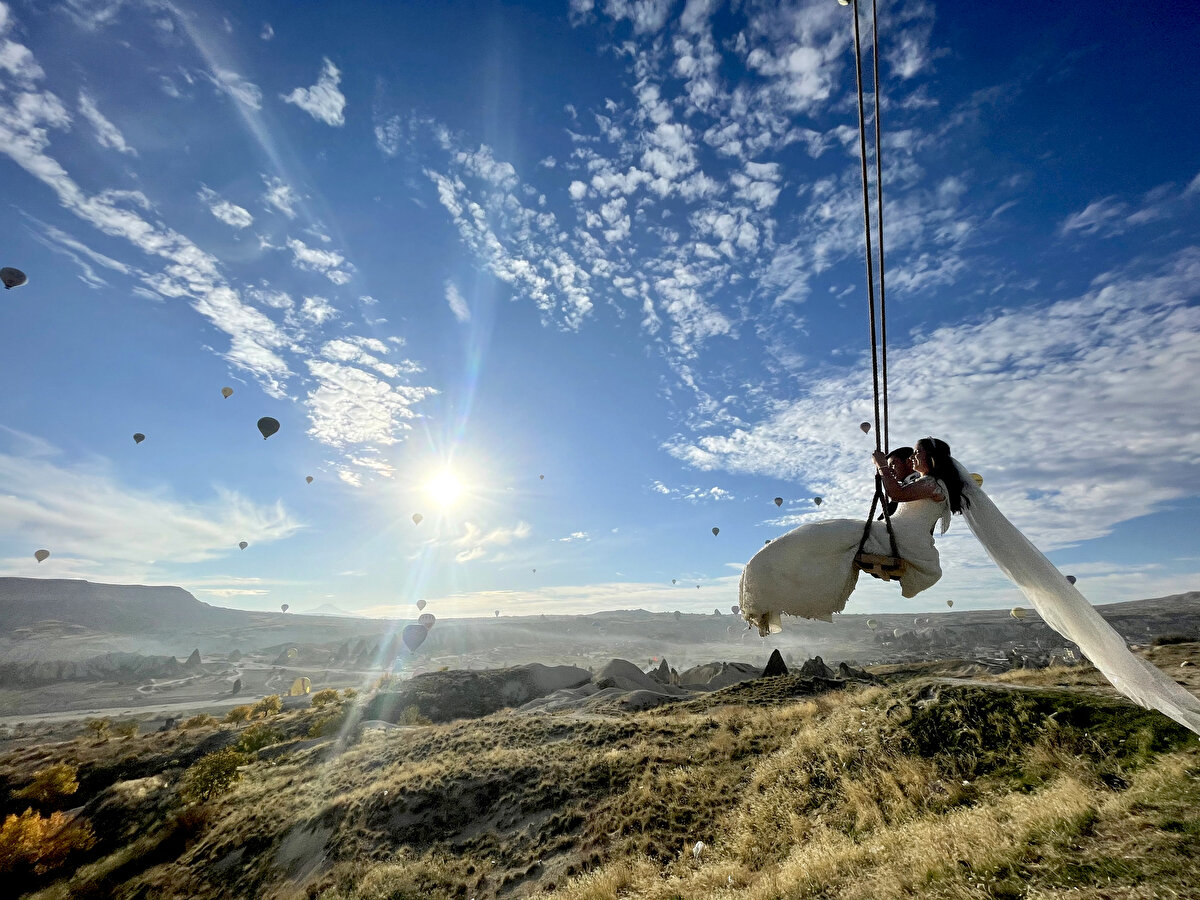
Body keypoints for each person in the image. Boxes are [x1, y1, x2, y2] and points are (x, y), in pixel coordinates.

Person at [739, 437, 966, 634]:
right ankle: (772, 580)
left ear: (931, 458)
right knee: (825, 534)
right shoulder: (926, 482)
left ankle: (774, 582)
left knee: (826, 534)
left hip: (899, 540)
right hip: (891, 533)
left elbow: (896, 493)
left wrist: (882, 467)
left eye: (918, 453)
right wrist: (887, 469)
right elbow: (898, 493)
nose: (913, 458)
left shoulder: (934, 485)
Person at [879, 445, 914, 518]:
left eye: (893, 464)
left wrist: (881, 467)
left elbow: (896, 496)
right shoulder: (904, 488)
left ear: (908, 462)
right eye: (888, 468)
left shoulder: (918, 483)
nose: (890, 470)